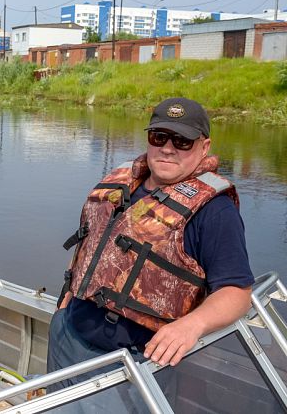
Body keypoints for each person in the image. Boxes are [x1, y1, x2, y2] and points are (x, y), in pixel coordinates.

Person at [47, 97, 254, 408]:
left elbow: (237, 292)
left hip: (131, 366)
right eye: (159, 137)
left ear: (204, 146)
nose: (168, 148)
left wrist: (191, 325)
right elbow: (91, 243)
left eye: (182, 141)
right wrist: (68, 299)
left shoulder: (215, 212)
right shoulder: (121, 182)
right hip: (68, 336)